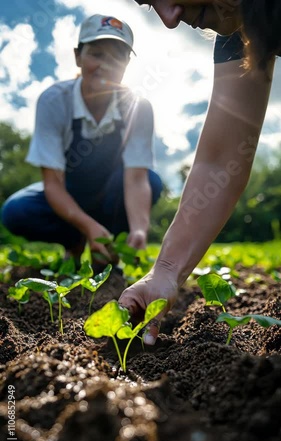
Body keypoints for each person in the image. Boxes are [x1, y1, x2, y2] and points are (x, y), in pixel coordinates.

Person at [119, 0, 281, 344]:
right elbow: (221, 159)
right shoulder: (238, 28)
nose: (169, 18)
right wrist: (163, 273)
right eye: (151, 4)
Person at [1, 14, 162, 265]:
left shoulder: (138, 107)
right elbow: (53, 184)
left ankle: (107, 250)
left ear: (127, 63)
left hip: (110, 192)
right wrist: (87, 227)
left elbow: (136, 178)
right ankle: (74, 240)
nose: (106, 66)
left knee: (153, 181)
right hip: (68, 190)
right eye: (96, 54)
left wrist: (139, 228)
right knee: (16, 212)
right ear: (78, 56)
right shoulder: (54, 101)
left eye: (117, 57)